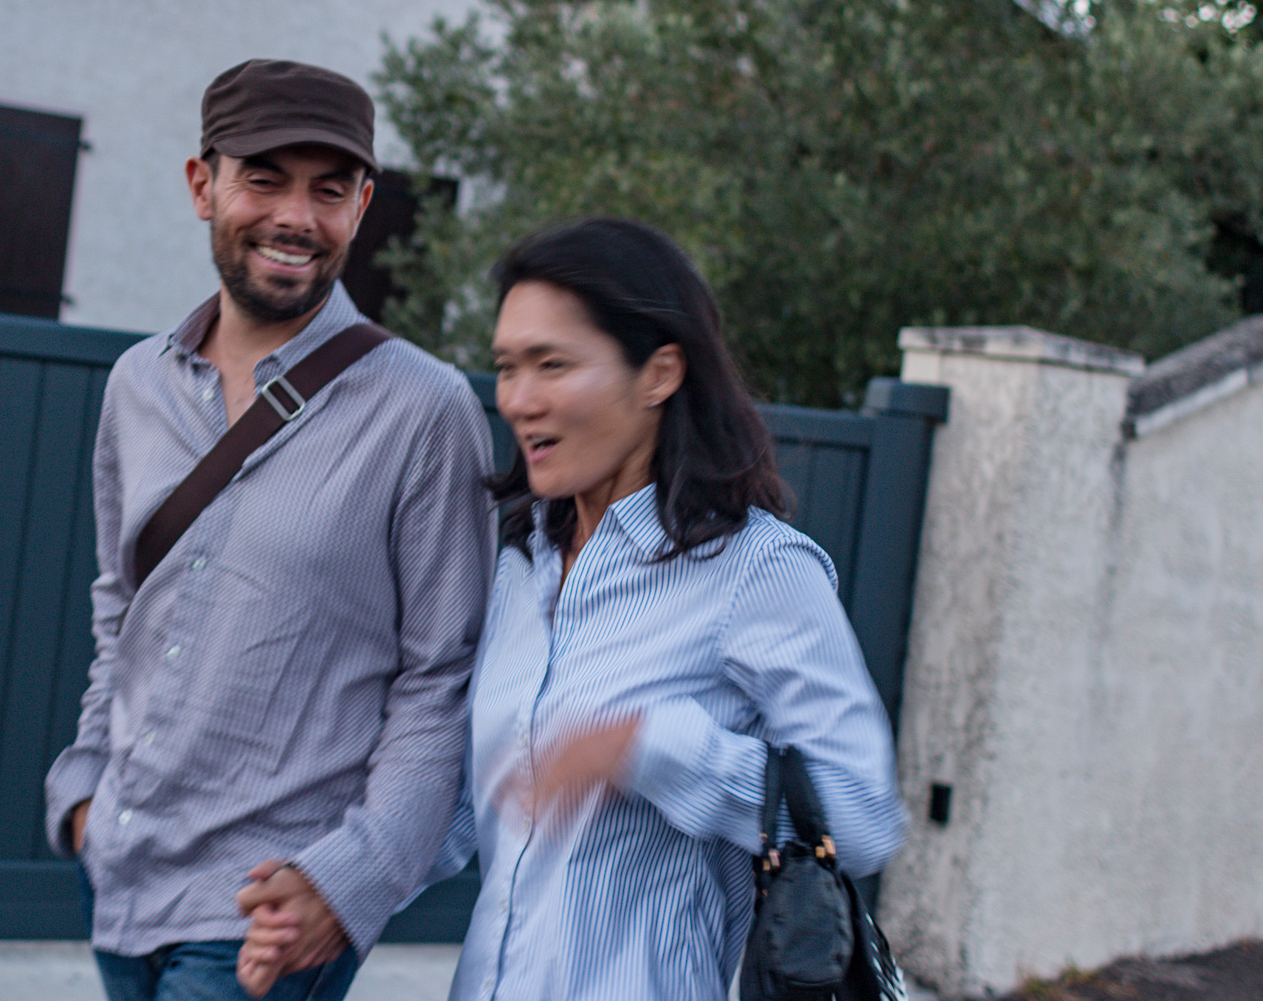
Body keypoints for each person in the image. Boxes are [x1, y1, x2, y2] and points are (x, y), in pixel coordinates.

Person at [247, 217, 905, 1000]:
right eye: (507, 367)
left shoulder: (758, 570)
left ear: (659, 374)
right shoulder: (520, 570)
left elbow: (864, 816)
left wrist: (648, 746)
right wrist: (331, 891)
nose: (519, 400)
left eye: (552, 364)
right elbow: (469, 804)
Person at [44, 58, 494, 1001]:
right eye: (264, 180)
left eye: (328, 191)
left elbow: (441, 680)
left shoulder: (424, 409)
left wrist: (353, 882)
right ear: (201, 185)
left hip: (268, 910)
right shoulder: (138, 386)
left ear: (361, 207)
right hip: (122, 877)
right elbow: (121, 613)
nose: (296, 216)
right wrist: (84, 792)